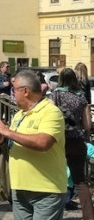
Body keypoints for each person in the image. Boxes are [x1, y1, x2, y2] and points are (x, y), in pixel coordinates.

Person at [0, 70, 67, 220]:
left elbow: (43, 143)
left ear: (25, 91)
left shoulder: (51, 112)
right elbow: (15, 142)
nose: (12, 94)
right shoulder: (19, 115)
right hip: (19, 188)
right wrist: (2, 139)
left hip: (46, 190)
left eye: (14, 90)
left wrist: (7, 132)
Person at [51, 67, 93, 220]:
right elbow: (87, 125)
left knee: (55, 178)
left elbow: (50, 116)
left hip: (59, 141)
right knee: (80, 182)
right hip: (77, 141)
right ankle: (89, 216)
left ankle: (53, 214)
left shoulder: (56, 94)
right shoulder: (81, 97)